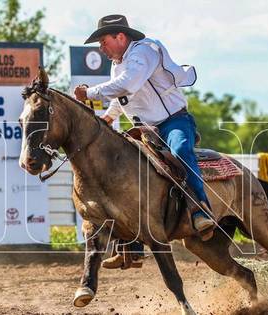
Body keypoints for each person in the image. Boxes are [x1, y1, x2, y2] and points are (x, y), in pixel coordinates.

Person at [74, 14, 215, 269]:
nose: (100, 48)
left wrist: (90, 93)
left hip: (173, 121)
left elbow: (129, 84)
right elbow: (123, 95)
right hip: (145, 129)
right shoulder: (119, 62)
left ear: (120, 36)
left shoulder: (145, 51)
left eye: (103, 41)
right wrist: (108, 117)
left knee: (181, 149)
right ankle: (130, 247)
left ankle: (200, 209)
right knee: (120, 168)